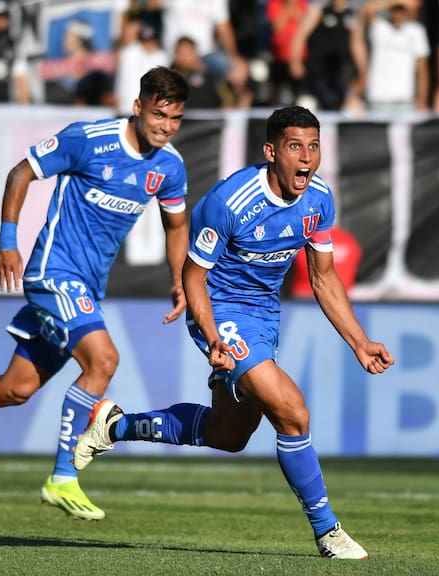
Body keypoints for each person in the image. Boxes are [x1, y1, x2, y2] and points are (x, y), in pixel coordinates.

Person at [74, 105, 395, 559]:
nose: (306, 157)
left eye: (314, 146)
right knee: (292, 412)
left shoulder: (319, 198)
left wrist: (360, 343)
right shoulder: (231, 201)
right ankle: (329, 532)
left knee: (229, 435)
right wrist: (213, 337)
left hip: (264, 316)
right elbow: (193, 277)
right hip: (219, 309)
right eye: (295, 146)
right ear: (271, 151)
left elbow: (323, 279)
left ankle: (114, 424)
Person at [0, 66, 191, 521]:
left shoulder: (169, 167)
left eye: (176, 119)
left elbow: (177, 225)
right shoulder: (88, 139)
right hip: (52, 272)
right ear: (138, 106)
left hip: (87, 285)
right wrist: (9, 240)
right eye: (159, 114)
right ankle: (63, 476)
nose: (166, 126)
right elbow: (20, 173)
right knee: (103, 361)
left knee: (15, 388)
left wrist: (178, 280)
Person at [289, 0, 367, 112]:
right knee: (307, 107)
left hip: (340, 74)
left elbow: (357, 44)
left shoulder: (352, 14)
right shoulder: (319, 10)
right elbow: (300, 36)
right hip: (317, 72)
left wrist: (363, 73)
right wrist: (295, 61)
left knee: (349, 107)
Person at [362, 0, 430, 113]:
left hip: (405, 99)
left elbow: (422, 70)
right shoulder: (380, 27)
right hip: (379, 99)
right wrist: (396, 1)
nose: (399, 13)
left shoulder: (416, 31)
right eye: (396, 9)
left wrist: (422, 100)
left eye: (402, 9)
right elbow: (367, 10)